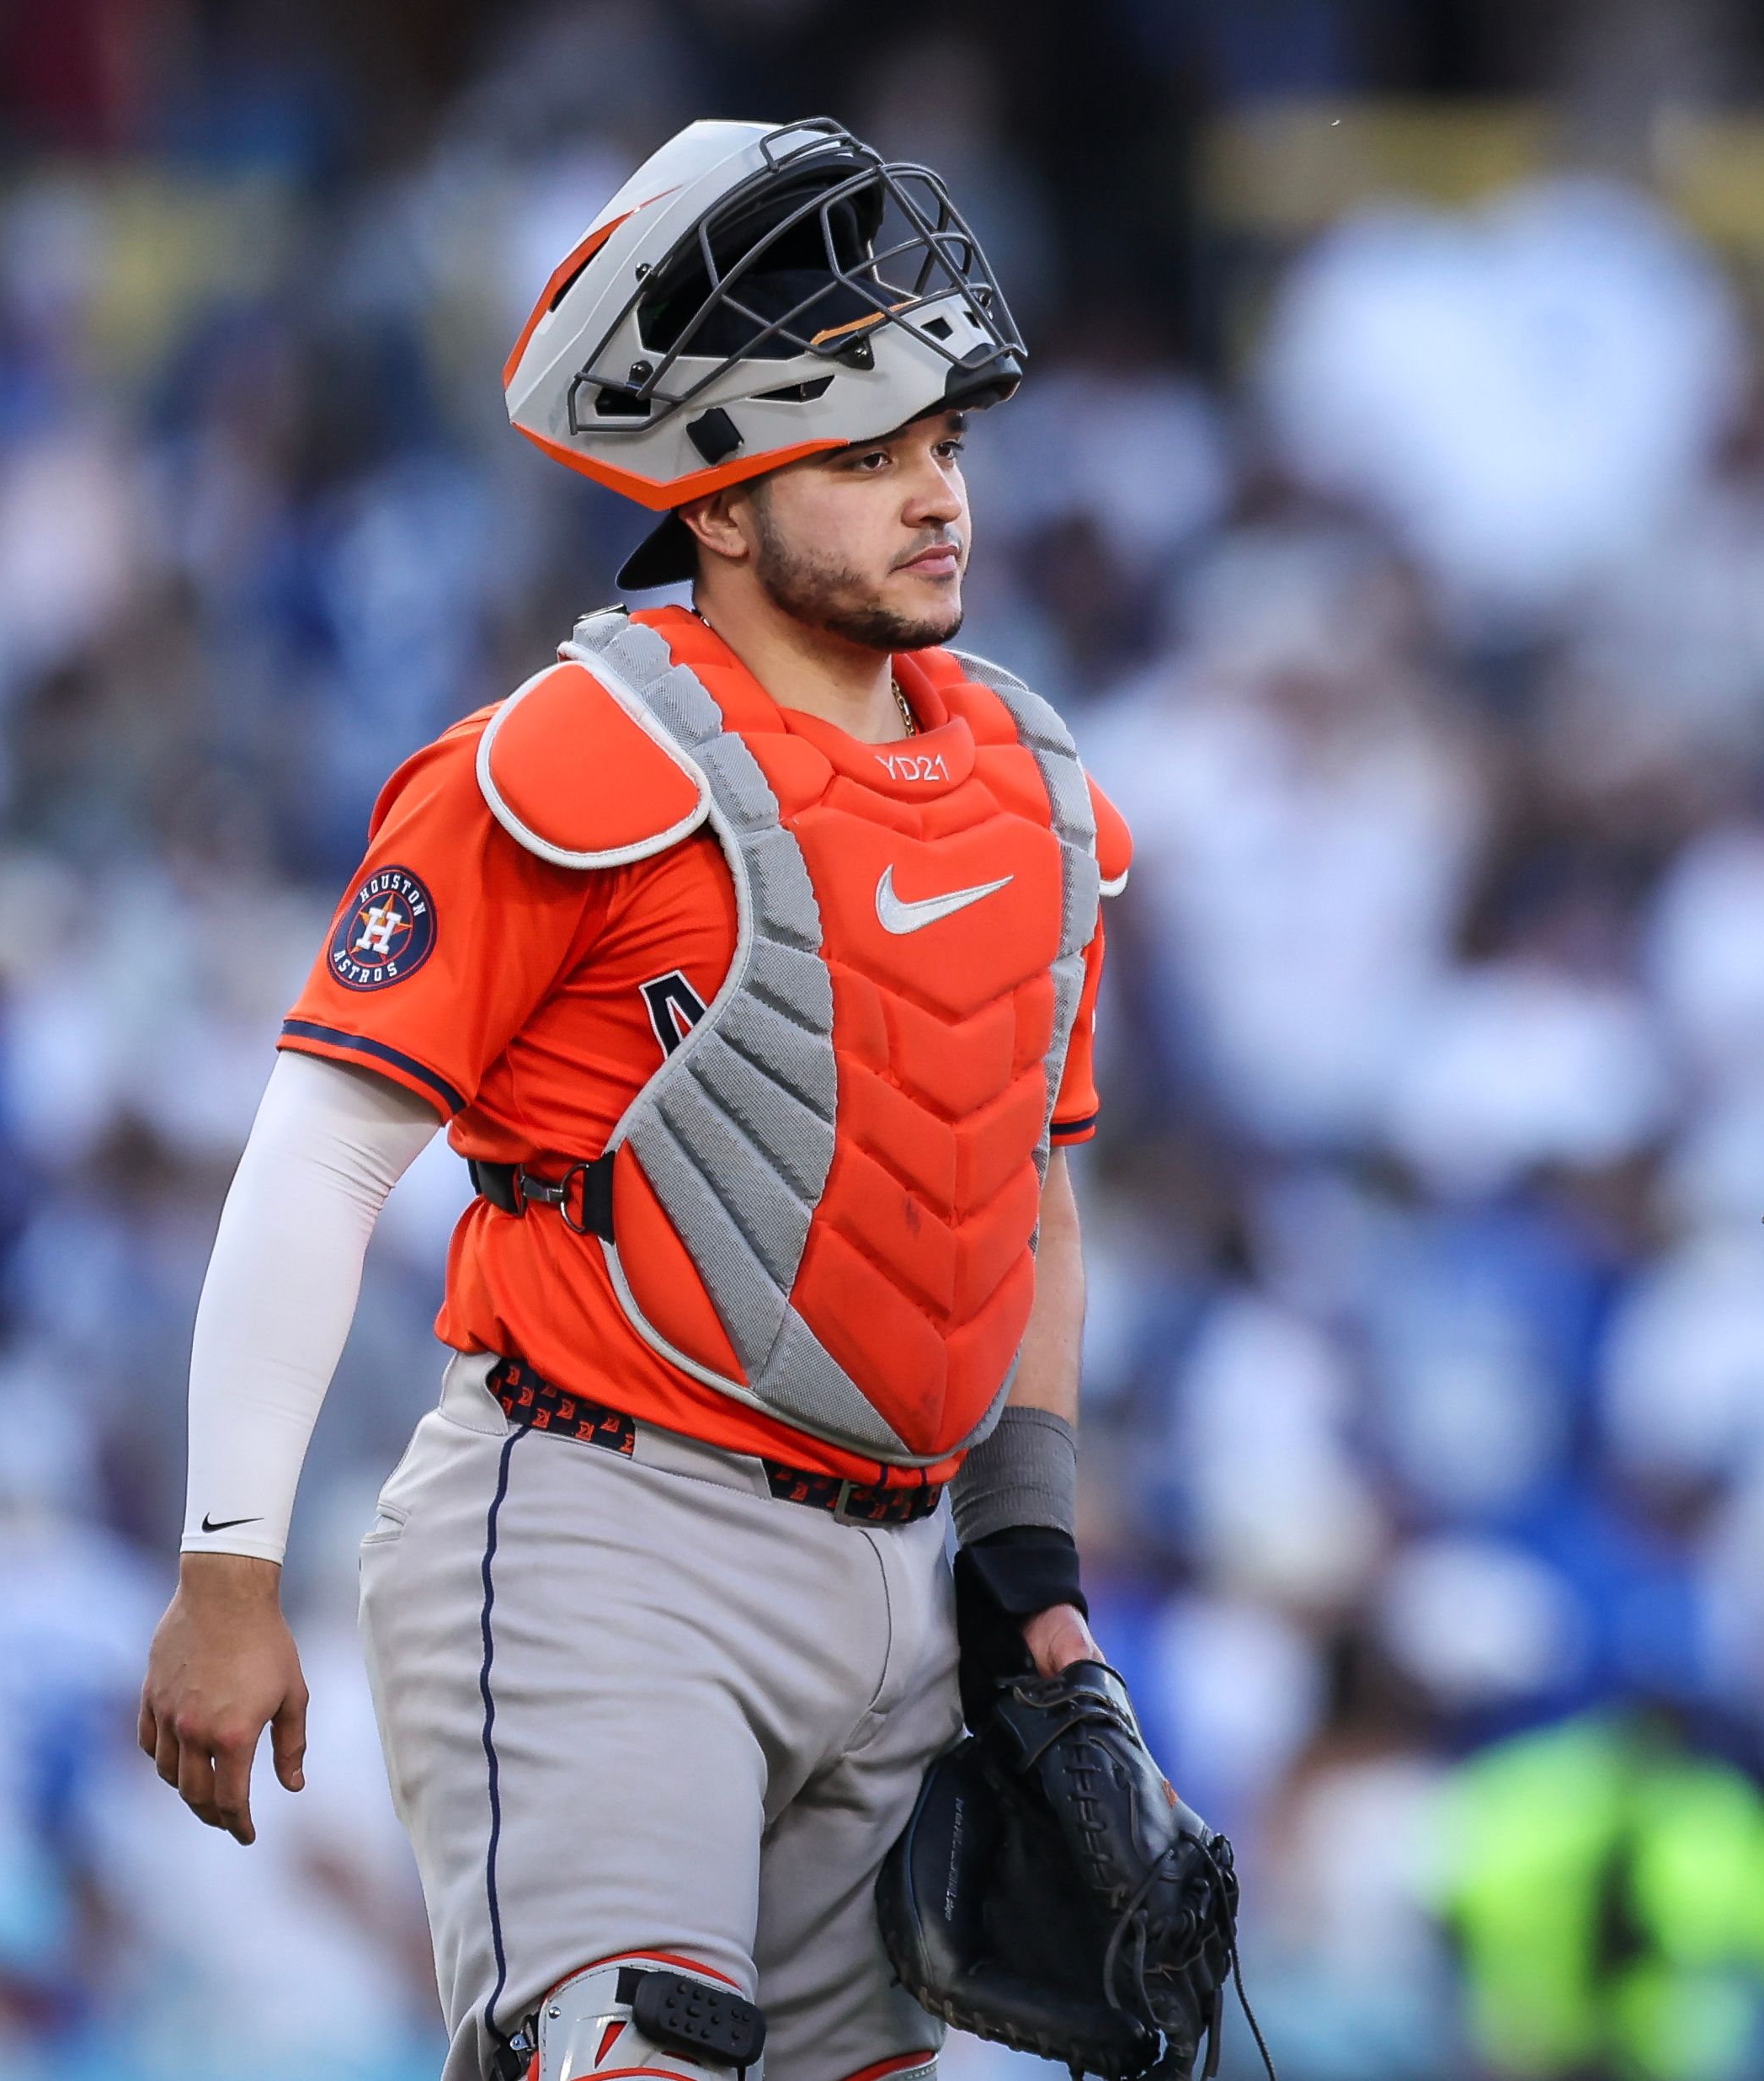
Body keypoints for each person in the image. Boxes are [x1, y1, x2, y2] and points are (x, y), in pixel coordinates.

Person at [132, 118, 1131, 2081]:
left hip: (903, 1574)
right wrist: (227, 1566)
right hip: (604, 1530)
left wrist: (1030, 1567)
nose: (937, 493)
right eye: (866, 456)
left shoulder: (1029, 779)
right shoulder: (569, 761)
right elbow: (325, 1155)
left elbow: (1023, 1192)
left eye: (944, 445)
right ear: (722, 508)